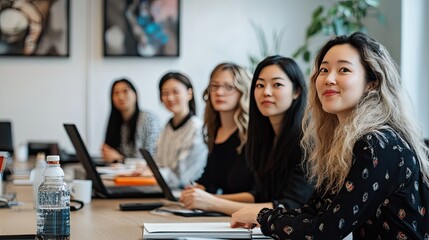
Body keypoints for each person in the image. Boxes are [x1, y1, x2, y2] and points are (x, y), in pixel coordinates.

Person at [231, 32, 429, 239]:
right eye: (323, 70)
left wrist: (263, 216)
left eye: (343, 70)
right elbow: (314, 212)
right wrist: (262, 215)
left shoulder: (377, 143)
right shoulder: (341, 143)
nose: (328, 79)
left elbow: (326, 231)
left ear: (372, 82)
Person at [180, 56, 313, 215]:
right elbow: (260, 195)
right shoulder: (264, 138)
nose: (266, 92)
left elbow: (291, 207)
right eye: (260, 85)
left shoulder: (307, 141)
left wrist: (212, 202)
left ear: (296, 91)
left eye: (277, 84)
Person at [188, 63, 254, 195]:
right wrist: (198, 189)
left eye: (229, 87)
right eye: (214, 86)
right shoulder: (214, 131)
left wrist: (209, 199)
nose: (219, 92)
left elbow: (256, 194)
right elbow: (209, 181)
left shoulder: (251, 135)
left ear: (243, 91)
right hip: (217, 212)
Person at [155, 72, 208, 188]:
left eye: (175, 92)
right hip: (165, 189)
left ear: (189, 94)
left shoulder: (197, 128)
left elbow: (183, 178)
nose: (169, 97)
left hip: (186, 193)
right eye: (165, 93)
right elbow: (159, 161)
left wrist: (154, 172)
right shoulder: (167, 126)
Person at [102, 78, 161, 163]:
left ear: (135, 94)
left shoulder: (148, 119)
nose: (120, 97)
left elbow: (152, 158)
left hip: (145, 174)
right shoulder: (119, 123)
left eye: (125, 91)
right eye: (116, 93)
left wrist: (120, 158)